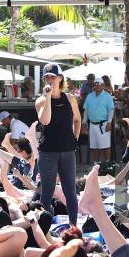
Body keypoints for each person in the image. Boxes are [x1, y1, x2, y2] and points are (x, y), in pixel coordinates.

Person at [36, 63, 81, 225]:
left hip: (68, 151)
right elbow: (45, 120)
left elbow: (77, 119)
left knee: (70, 192)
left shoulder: (70, 98)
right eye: (47, 77)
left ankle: (74, 227)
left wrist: (75, 139)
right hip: (48, 152)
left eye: (52, 77)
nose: (49, 80)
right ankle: (43, 230)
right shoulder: (41, 101)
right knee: (47, 193)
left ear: (60, 78)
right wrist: (48, 97)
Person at [83, 77, 115, 163]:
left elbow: (111, 110)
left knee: (106, 147)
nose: (96, 86)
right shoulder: (89, 96)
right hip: (92, 125)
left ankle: (108, 165)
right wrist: (84, 122)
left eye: (99, 84)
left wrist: (109, 123)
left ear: (103, 85)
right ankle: (96, 165)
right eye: (95, 84)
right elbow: (86, 110)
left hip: (104, 125)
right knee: (94, 147)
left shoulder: (107, 96)